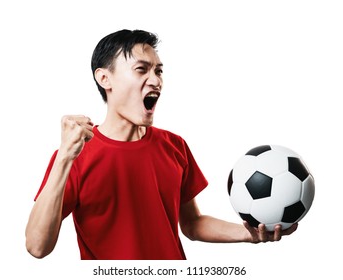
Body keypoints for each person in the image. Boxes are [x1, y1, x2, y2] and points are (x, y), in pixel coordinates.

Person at [25, 29, 297, 260]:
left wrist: (249, 234)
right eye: (141, 69)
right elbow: (37, 246)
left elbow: (192, 224)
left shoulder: (174, 146)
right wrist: (63, 158)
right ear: (104, 78)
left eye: (158, 71)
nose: (156, 80)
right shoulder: (74, 154)